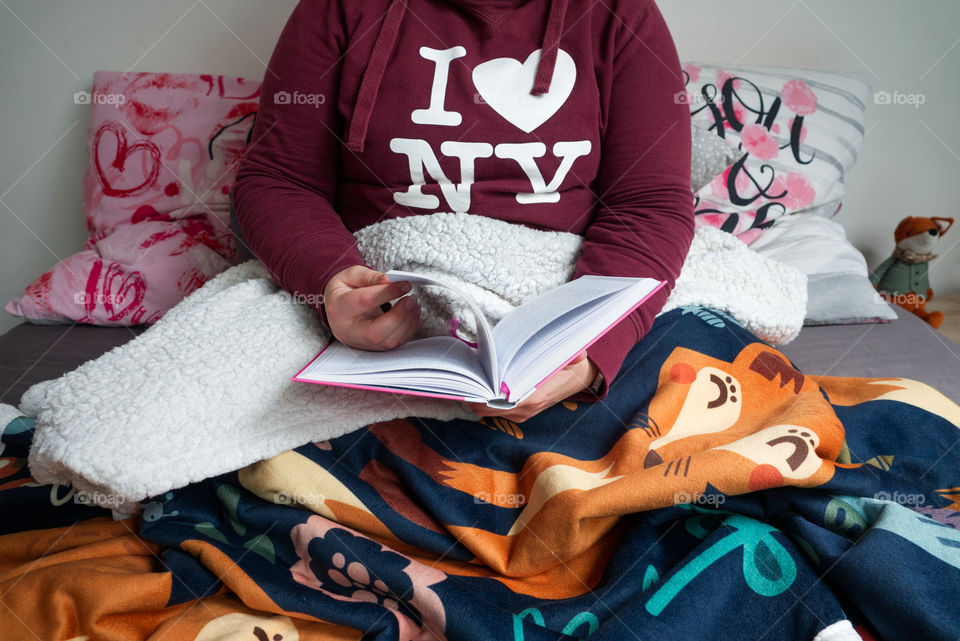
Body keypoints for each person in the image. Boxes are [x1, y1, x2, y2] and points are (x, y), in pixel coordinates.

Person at [231, 0, 694, 422]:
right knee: (241, 405)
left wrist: (591, 350)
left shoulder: (620, 13)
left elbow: (650, 203)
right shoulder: (338, 9)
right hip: (384, 304)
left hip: (564, 306)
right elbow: (278, 180)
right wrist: (329, 285)